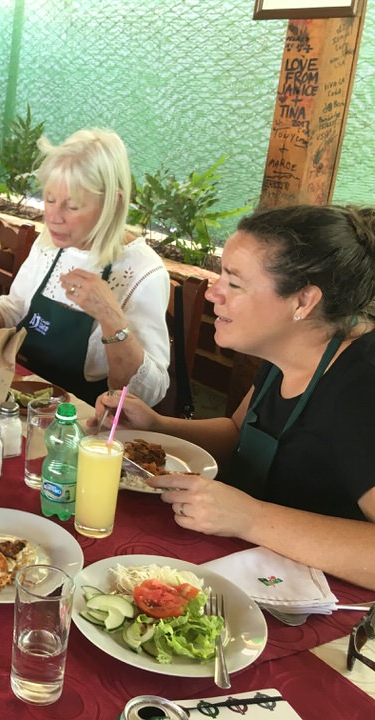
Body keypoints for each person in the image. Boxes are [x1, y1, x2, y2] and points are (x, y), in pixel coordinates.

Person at [94, 204, 375, 591]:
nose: (213, 293)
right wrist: (157, 426)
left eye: (235, 283)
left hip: (330, 611)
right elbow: (237, 434)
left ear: (303, 302)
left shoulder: (362, 385)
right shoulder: (286, 349)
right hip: (250, 573)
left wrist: (251, 517)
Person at [0, 128, 170, 406]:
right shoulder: (49, 245)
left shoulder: (143, 271)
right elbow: (14, 311)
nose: (54, 217)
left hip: (83, 420)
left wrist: (110, 317)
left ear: (113, 203)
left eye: (72, 206)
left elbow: (149, 394)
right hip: (19, 399)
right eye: (50, 199)